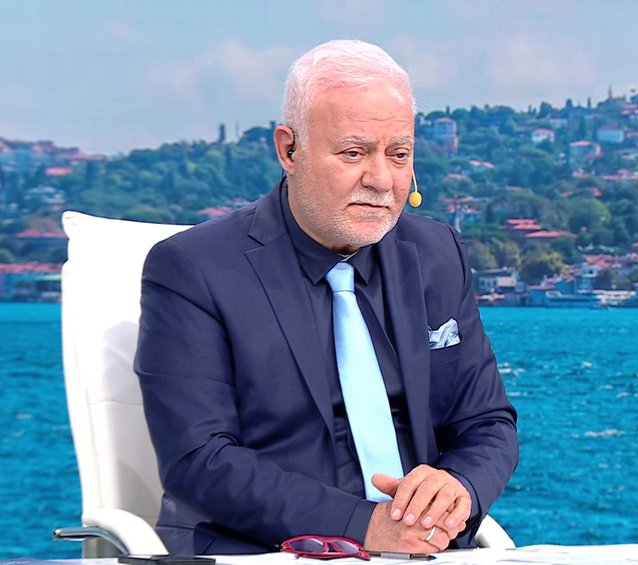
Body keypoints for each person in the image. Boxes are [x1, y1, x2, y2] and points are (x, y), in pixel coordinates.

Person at [134, 39, 519, 556]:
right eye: (354, 153)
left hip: (426, 549)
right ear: (289, 150)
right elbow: (199, 459)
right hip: (262, 551)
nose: (381, 180)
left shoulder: (437, 253)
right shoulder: (192, 268)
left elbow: (487, 422)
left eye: (398, 155)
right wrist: (365, 525)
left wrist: (459, 488)